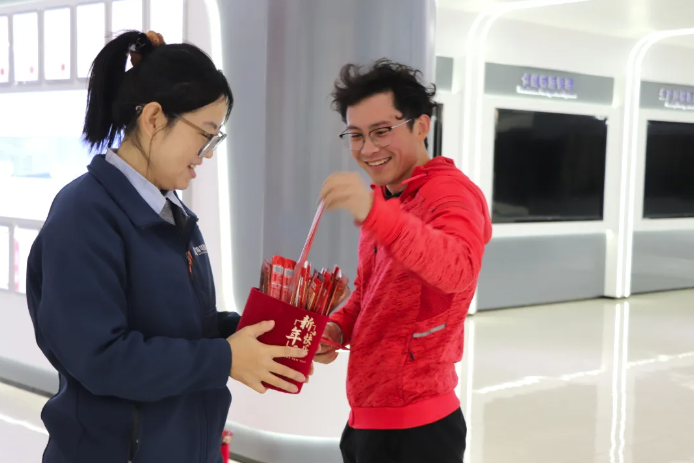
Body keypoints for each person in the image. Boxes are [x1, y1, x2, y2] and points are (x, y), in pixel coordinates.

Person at [25, 30, 309, 463]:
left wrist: (276, 335)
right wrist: (223, 359)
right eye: (205, 134)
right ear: (155, 118)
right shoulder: (84, 214)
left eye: (216, 139)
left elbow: (186, 328)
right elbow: (101, 358)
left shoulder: (172, 213)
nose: (207, 154)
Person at [316, 59, 493, 463]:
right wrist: (336, 329)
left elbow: (458, 268)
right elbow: (370, 293)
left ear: (421, 126)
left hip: (418, 430)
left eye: (382, 132)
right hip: (366, 419)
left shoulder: (451, 194)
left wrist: (375, 214)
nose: (367, 149)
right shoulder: (385, 198)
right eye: (356, 135)